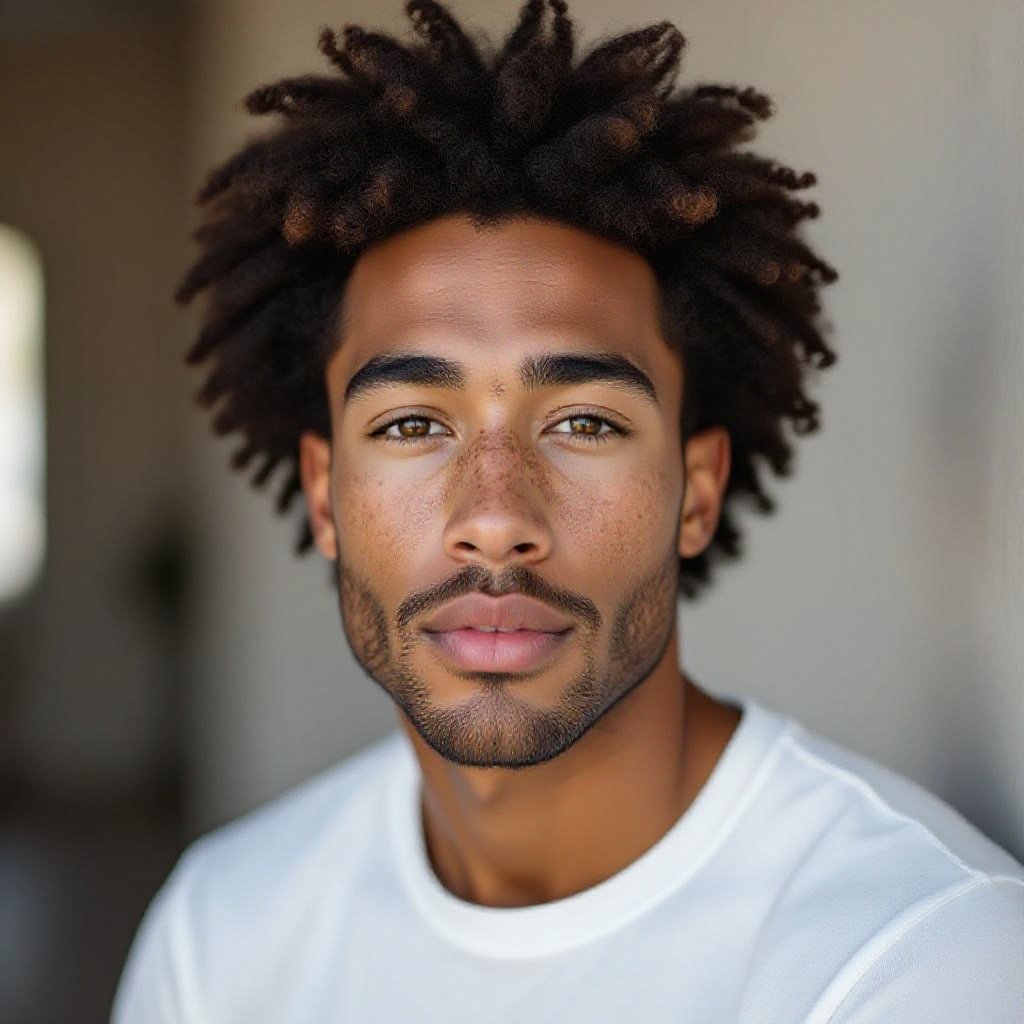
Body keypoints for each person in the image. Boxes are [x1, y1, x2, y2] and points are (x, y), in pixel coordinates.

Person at [112, 2, 1024, 1021]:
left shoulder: (914, 957)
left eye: (584, 423)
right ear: (325, 496)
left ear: (697, 490)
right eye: (414, 425)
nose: (495, 517)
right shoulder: (221, 933)